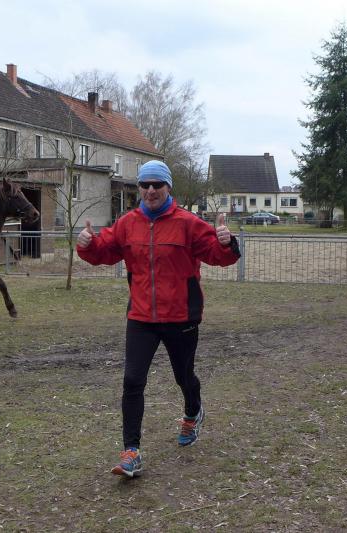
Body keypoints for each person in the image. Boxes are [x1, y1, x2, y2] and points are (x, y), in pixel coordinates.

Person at [76, 160, 241, 478]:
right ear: (139, 188)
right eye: (145, 185)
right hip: (141, 316)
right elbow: (103, 251)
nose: (150, 190)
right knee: (132, 381)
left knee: (184, 377)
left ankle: (193, 412)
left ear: (168, 188)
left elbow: (218, 256)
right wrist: (88, 244)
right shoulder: (127, 224)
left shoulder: (188, 223)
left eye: (157, 185)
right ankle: (131, 452)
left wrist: (226, 243)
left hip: (181, 316)